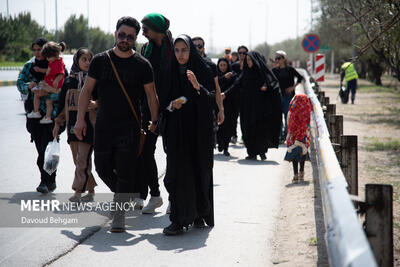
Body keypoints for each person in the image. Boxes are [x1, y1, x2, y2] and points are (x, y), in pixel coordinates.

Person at [74, 16, 159, 233]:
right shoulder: (101, 61)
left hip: (129, 127)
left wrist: (154, 122)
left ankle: (119, 215)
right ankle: (126, 195)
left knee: (124, 171)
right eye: (122, 35)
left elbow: (151, 96)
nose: (125, 39)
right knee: (102, 168)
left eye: (130, 37)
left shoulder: (142, 64)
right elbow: (86, 91)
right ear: (115, 34)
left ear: (135, 38)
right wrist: (80, 119)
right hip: (103, 126)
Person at [160, 34, 215, 235]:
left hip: (198, 133)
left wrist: (197, 87)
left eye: (184, 50)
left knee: (198, 172)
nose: (180, 54)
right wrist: (171, 105)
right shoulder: (169, 71)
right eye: (177, 50)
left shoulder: (203, 70)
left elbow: (210, 101)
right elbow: (162, 102)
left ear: (191, 50)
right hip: (176, 133)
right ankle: (178, 219)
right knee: (174, 176)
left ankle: (199, 212)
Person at [135, 12, 173, 213]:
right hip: (147, 109)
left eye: (146, 27)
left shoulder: (174, 50)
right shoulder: (144, 50)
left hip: (170, 110)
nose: (143, 31)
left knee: (172, 155)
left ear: (157, 29)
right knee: (144, 153)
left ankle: (174, 198)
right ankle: (151, 195)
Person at [17, 37, 63, 194]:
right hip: (35, 116)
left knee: (49, 150)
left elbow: (64, 89)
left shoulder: (58, 66)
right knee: (41, 150)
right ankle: (46, 179)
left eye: (40, 49)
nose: (37, 53)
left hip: (53, 116)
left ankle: (49, 179)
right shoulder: (29, 66)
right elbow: (20, 83)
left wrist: (51, 91)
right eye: (34, 50)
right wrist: (27, 86)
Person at [53, 48, 97, 202]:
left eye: (89, 59)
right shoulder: (69, 81)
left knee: (82, 160)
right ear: (77, 61)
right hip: (72, 128)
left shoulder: (94, 81)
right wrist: (58, 125)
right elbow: (62, 106)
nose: (87, 62)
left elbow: (103, 100)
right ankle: (91, 191)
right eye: (83, 59)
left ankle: (78, 192)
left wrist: (94, 104)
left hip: (89, 126)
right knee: (78, 160)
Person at [223, 51, 282, 160]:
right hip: (246, 107)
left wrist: (266, 87)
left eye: (250, 60)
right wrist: (225, 94)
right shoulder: (245, 73)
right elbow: (236, 85)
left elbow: (274, 84)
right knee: (247, 128)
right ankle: (252, 152)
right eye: (247, 60)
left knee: (259, 129)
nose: (249, 62)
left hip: (260, 107)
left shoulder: (261, 73)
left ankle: (261, 151)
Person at [27, 41, 66, 124]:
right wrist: (40, 70)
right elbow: (48, 71)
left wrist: (56, 80)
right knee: (48, 101)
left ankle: (36, 111)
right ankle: (47, 117)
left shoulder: (58, 63)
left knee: (36, 93)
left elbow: (61, 74)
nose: (47, 59)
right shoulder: (52, 62)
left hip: (52, 86)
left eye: (48, 57)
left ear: (55, 55)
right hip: (49, 83)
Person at [272, 50, 304, 141]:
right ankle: (280, 136)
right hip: (278, 96)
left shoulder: (290, 69)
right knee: (278, 117)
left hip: (288, 96)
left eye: (279, 58)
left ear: (283, 59)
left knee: (288, 117)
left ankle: (287, 135)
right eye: (276, 58)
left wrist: (292, 88)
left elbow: (300, 78)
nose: (277, 60)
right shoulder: (274, 70)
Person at [192, 36, 224, 126]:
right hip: (189, 111)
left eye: (199, 46)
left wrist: (221, 110)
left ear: (203, 48)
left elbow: (217, 88)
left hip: (207, 109)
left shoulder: (211, 66)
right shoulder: (184, 65)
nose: (197, 49)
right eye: (194, 46)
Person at [284, 94, 312, 183]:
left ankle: (295, 174)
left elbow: (289, 122)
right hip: (304, 134)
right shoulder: (306, 110)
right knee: (303, 152)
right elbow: (308, 122)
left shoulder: (292, 110)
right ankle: (302, 172)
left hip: (294, 134)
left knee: (294, 152)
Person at [216, 57, 238, 156]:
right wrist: (224, 78)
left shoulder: (233, 75)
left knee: (228, 126)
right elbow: (214, 85)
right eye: (221, 65)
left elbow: (235, 87)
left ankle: (226, 147)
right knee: (219, 126)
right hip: (218, 104)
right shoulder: (216, 75)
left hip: (230, 104)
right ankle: (220, 143)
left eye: (224, 65)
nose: (223, 67)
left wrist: (226, 94)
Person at [230, 45, 248, 144]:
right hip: (235, 95)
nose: (242, 55)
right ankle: (234, 135)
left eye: (244, 53)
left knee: (245, 118)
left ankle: (245, 137)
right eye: (240, 53)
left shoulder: (249, 65)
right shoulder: (234, 66)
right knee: (234, 116)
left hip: (246, 96)